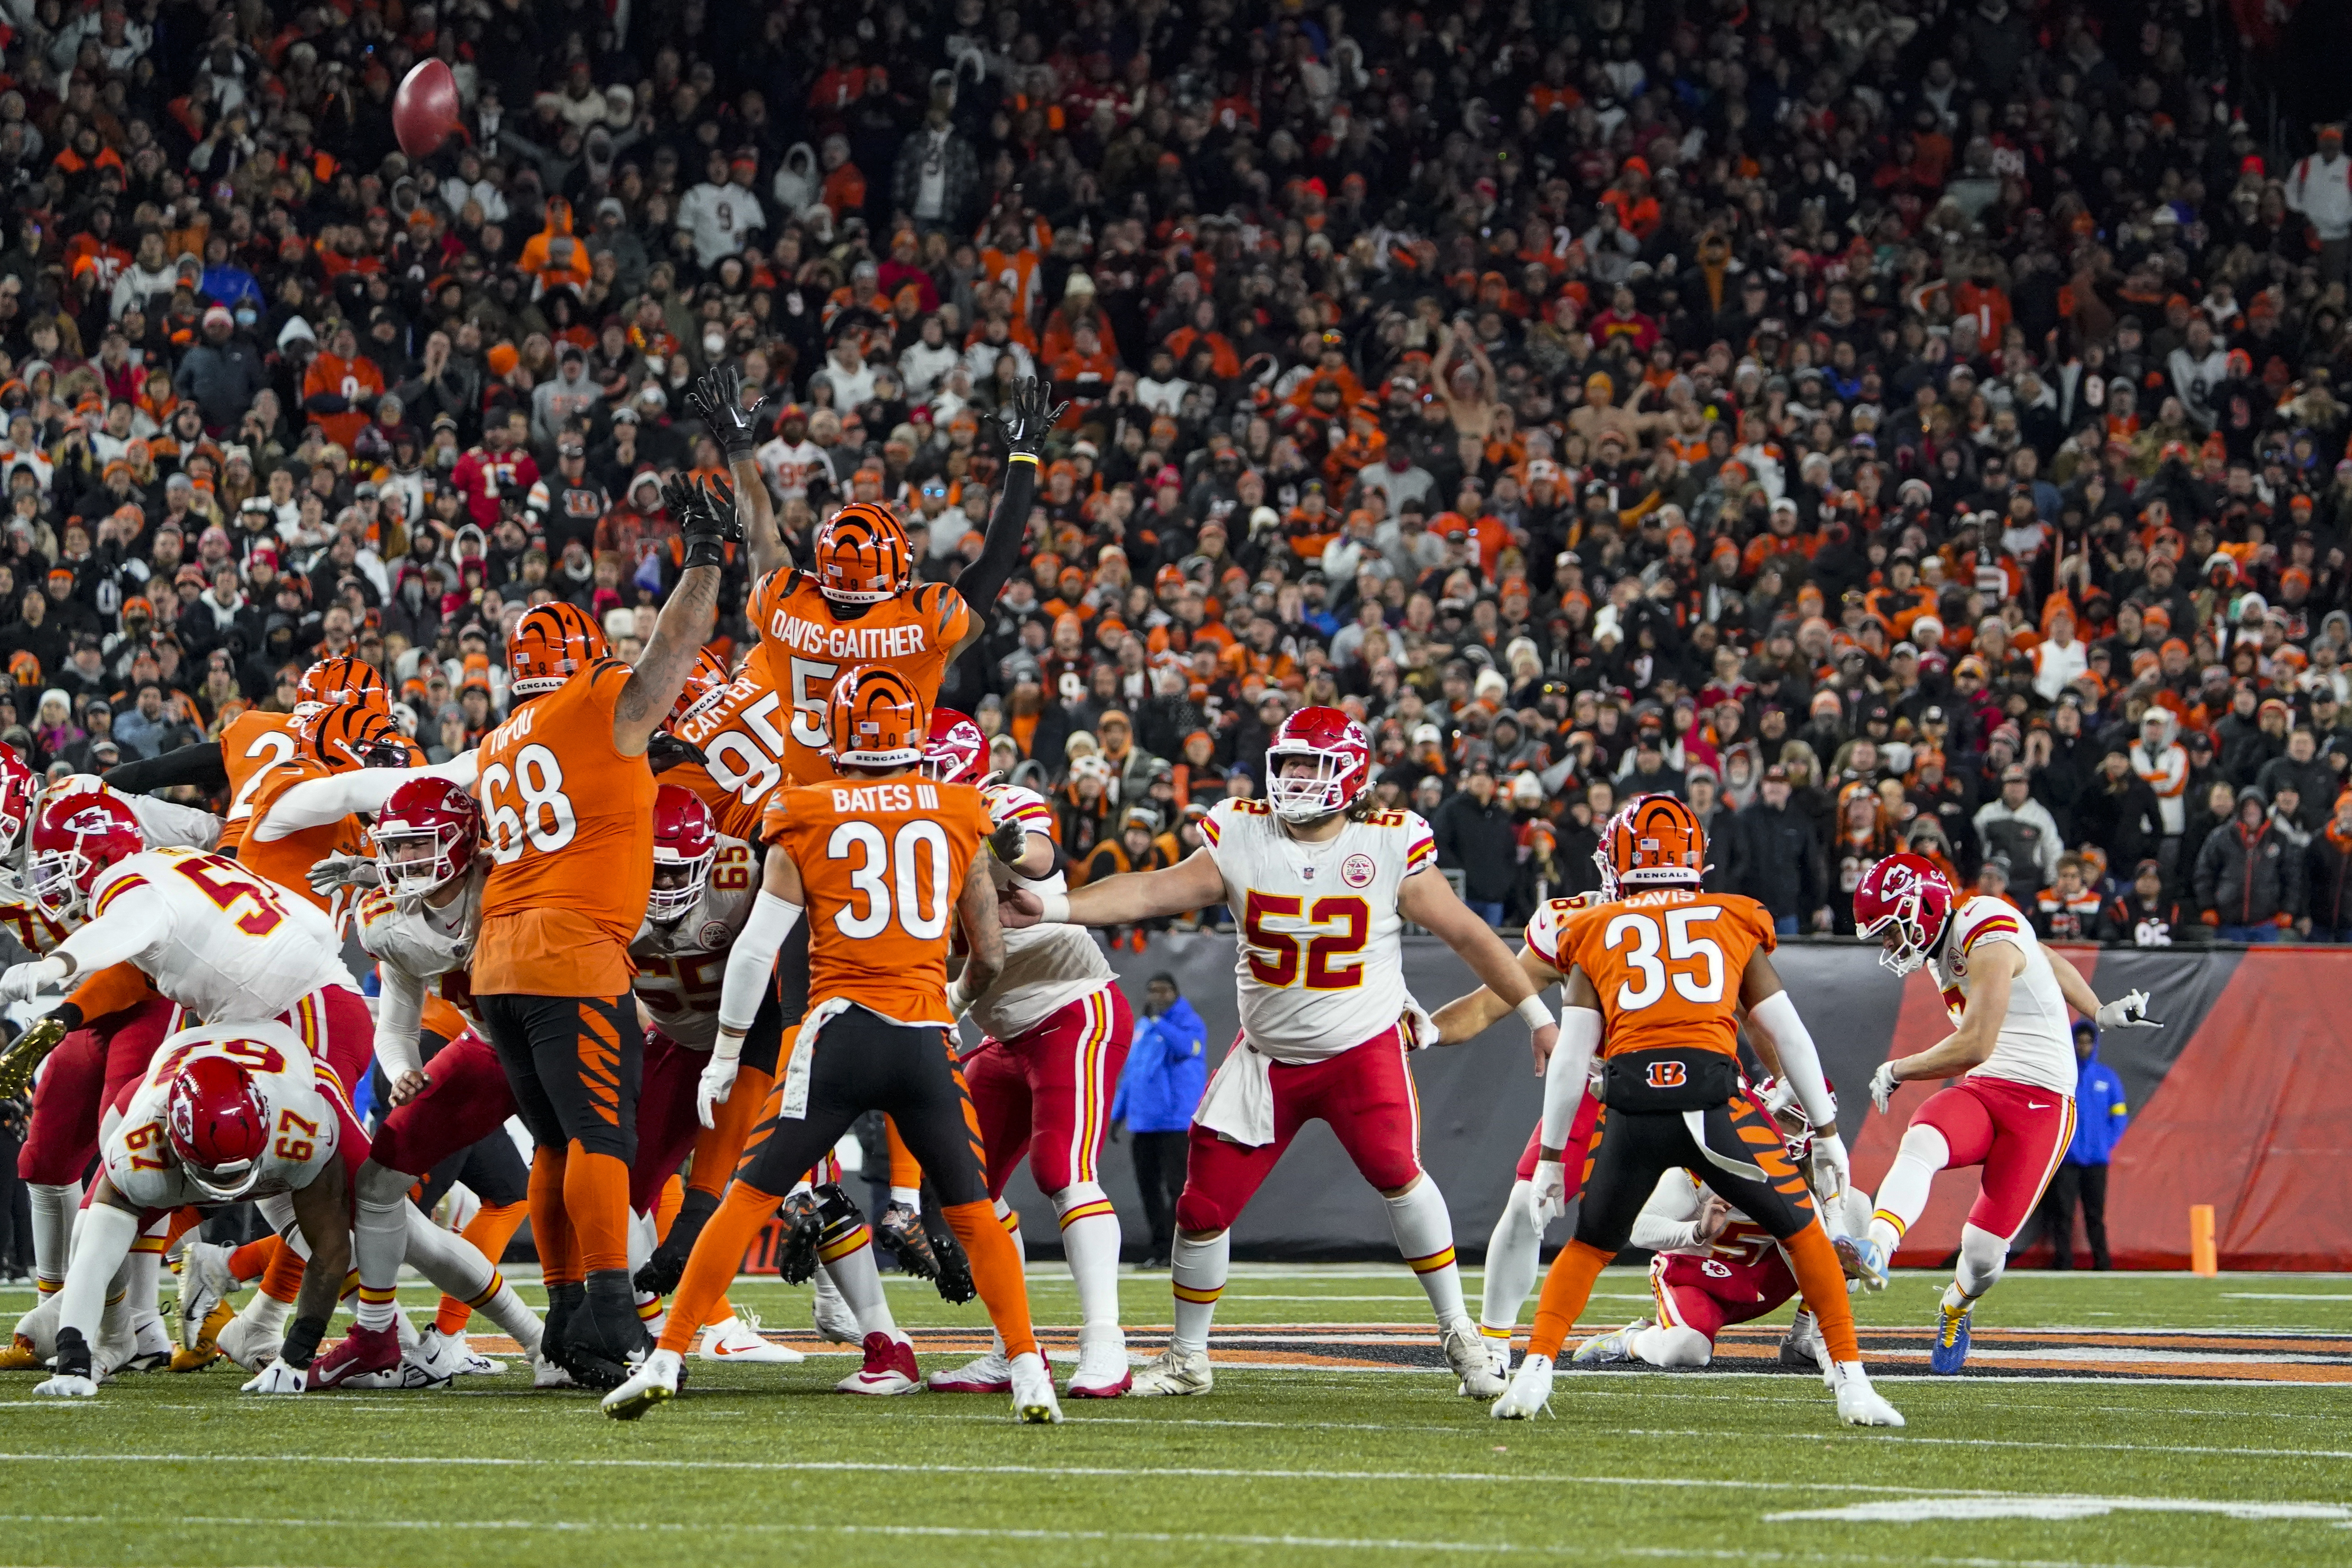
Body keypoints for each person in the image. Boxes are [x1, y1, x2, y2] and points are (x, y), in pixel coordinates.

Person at [1001, 705, 1563, 1400]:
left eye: (1313, 764)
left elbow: (1469, 934)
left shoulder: (1388, 841)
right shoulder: (1240, 831)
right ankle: (1187, 1357)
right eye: (1290, 762)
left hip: (1360, 1048)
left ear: (1350, 773)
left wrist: (1537, 1014)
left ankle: (1459, 1333)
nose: (1297, 777)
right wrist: (1053, 909)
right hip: (1266, 1056)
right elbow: (1151, 890)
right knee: (1200, 1208)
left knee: (1399, 1172)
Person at [603, 665, 1057, 1423]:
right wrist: (953, 1001)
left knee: (745, 1201)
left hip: (836, 1032)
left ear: (836, 735)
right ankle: (1028, 1370)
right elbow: (988, 951)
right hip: (921, 1033)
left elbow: (755, 952)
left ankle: (666, 1354)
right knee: (974, 1211)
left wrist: (724, 1053)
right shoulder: (957, 808)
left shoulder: (805, 809)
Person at [1487, 796, 1901, 1427]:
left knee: (1588, 1246)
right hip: (1714, 1104)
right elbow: (1788, 1036)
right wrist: (1823, 1130)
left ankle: (1532, 1374)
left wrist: (1549, 1157)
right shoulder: (1730, 918)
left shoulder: (1591, 927)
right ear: (1693, 858)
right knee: (1804, 1234)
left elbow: (1570, 1058)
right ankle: (1850, 1383)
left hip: (1632, 1105)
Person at [465, 474, 732, 1389]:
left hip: (499, 959)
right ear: (584, 659)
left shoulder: (504, 735)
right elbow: (670, 653)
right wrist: (703, 560)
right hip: (572, 952)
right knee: (602, 1141)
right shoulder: (594, 702)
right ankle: (614, 1318)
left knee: (555, 1143)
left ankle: (570, 1319)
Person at [1851, 852, 2160, 1373]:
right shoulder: (1945, 947)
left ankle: (1955, 1305)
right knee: (1922, 1138)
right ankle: (1877, 1247)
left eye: (1889, 929)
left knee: (1982, 1256)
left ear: (1921, 909)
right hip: (1987, 1087)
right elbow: (2043, 957)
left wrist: (1898, 1068)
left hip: (2040, 1104)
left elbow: (1974, 1041)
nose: (1887, 944)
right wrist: (2098, 1008)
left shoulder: (1983, 923)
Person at [916, 709, 1136, 1400]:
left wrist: (999, 849)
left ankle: (1106, 1342)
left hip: (1072, 1005)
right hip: (1006, 1032)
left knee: (1061, 1167)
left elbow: (1037, 851)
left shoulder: (1001, 805)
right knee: (963, 1183)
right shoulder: (900, 829)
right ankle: (1013, 1346)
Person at [30, 1020, 363, 1396]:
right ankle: (112, 1336)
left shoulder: (305, 1122)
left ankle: (376, 1333)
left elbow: (331, 1246)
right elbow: (94, 1253)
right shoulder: (140, 1145)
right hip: (149, 1093)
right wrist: (72, 1359)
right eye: (216, 1178)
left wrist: (297, 1357)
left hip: (282, 1063)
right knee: (92, 1233)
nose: (227, 1190)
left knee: (368, 1214)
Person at [1569, 1076, 1870, 1373]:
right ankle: (1632, 1341)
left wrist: (1852, 1261)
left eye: (1783, 1118)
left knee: (1852, 1208)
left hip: (1762, 1283)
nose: (1768, 1125)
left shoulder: (1821, 1179)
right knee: (1686, 1351)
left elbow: (1836, 1270)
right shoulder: (1706, 1162)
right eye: (1765, 1112)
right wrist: (1697, 1230)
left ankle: (1804, 1338)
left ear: (1813, 1131)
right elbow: (1640, 1231)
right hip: (1696, 1278)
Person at [1112, 972, 1208, 1269]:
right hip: (1144, 1121)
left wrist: (1160, 1024)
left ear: (1176, 992)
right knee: (1148, 1187)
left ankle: (1178, 1248)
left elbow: (1188, 1049)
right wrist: (1118, 1114)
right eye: (1152, 990)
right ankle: (1159, 1247)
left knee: (1177, 1186)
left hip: (1175, 1121)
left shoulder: (1187, 1023)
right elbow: (1132, 1075)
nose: (1157, 996)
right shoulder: (1143, 1027)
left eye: (1163, 990)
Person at [2015, 1021, 2128, 1271]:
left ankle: (2102, 1263)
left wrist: (2105, 1144)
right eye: (2080, 1041)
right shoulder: (2063, 1077)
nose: (2084, 1046)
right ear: (2072, 1043)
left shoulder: (2107, 1078)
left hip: (2097, 1161)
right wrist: (2063, 1146)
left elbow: (2119, 1117)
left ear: (2094, 1044)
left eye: (2088, 1042)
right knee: (2062, 1214)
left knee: (2095, 1215)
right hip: (2066, 1159)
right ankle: (2063, 1262)